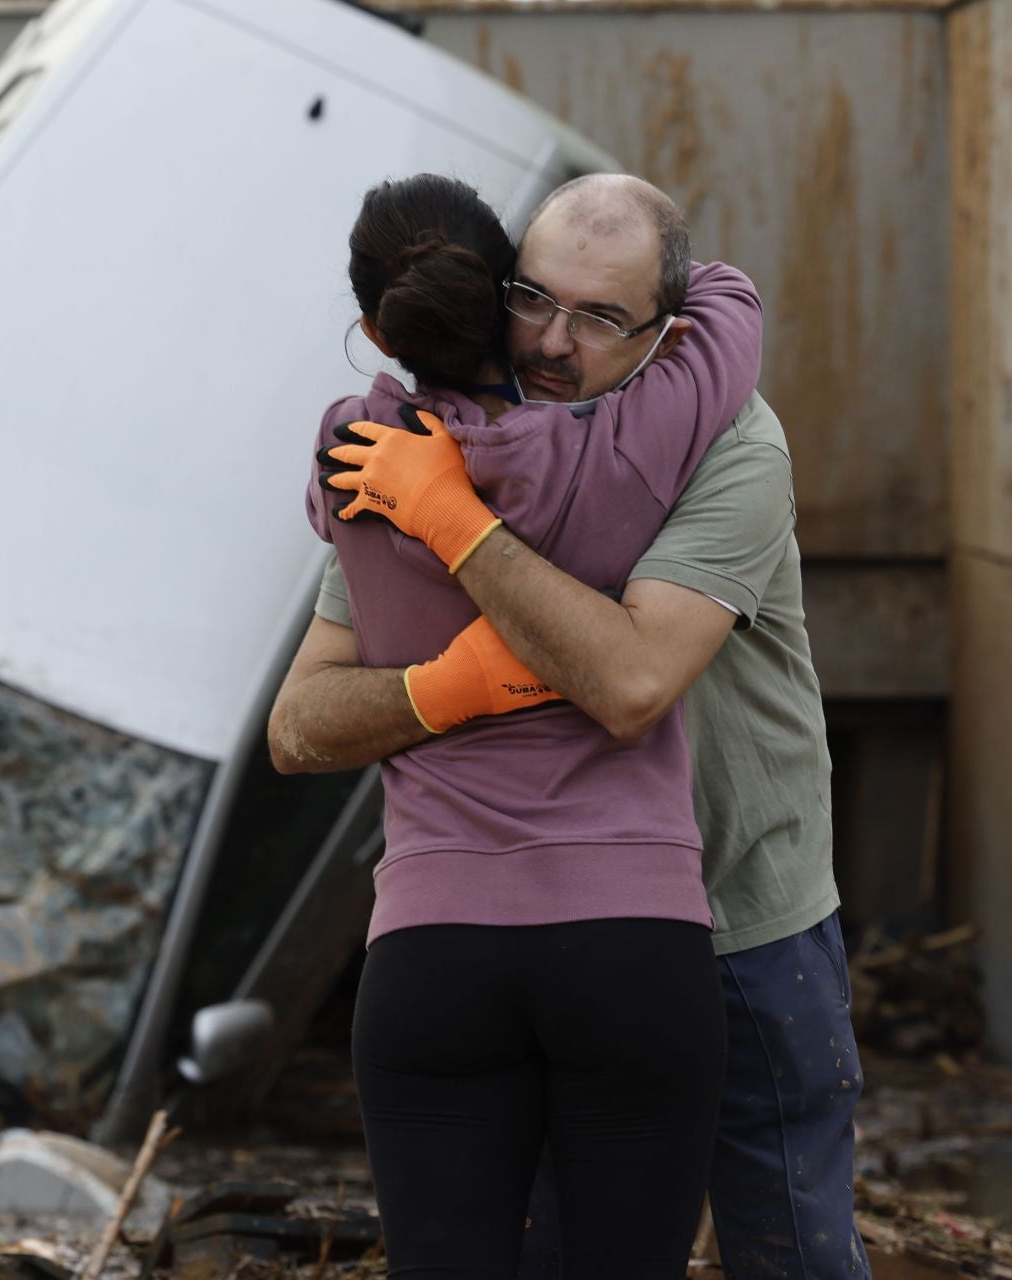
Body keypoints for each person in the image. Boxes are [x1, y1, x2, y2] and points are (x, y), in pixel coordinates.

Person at [272, 173, 868, 1280]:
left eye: (598, 316)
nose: (551, 341)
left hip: (744, 910)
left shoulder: (725, 444)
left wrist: (450, 520)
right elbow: (302, 720)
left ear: (666, 329)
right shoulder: (420, 448)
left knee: (795, 1254)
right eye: (532, 298)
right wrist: (439, 687)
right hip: (588, 938)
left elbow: (634, 680)